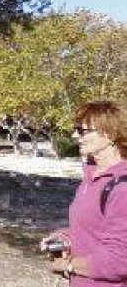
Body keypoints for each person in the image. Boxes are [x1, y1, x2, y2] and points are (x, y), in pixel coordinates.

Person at [40, 100, 127, 285]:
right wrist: (64, 239)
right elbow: (93, 229)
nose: (74, 135)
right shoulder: (92, 176)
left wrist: (68, 265)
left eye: (82, 131)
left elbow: (120, 260)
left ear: (110, 134)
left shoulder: (122, 189)